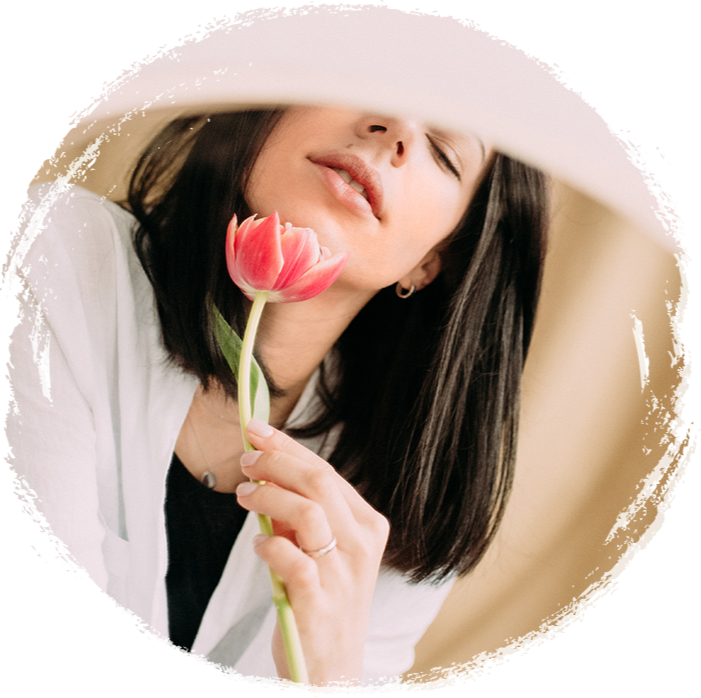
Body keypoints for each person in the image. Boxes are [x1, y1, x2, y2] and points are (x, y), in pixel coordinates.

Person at [8, 105, 548, 692]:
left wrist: (332, 681)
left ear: (429, 261)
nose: (396, 130)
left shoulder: (407, 492)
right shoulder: (59, 254)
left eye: (443, 152)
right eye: (369, 83)